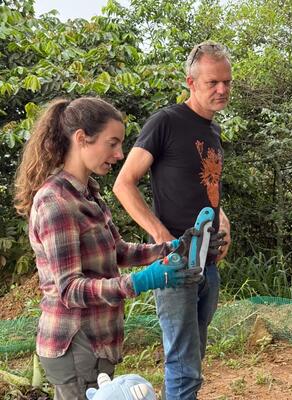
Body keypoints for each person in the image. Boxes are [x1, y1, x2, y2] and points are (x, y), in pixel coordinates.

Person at [13, 97, 204, 400]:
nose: (119, 154)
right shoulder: (56, 203)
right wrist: (141, 281)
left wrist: (171, 247)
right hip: (75, 343)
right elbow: (70, 290)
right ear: (81, 139)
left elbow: (117, 251)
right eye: (112, 143)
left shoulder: (88, 193)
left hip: (98, 340)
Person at [113, 41, 232, 399]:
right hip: (176, 264)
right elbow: (123, 183)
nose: (222, 89)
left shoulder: (212, 131)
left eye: (226, 82)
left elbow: (207, 188)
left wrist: (224, 222)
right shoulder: (166, 122)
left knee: (192, 358)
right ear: (190, 83)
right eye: (212, 82)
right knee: (183, 363)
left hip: (208, 263)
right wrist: (163, 237)